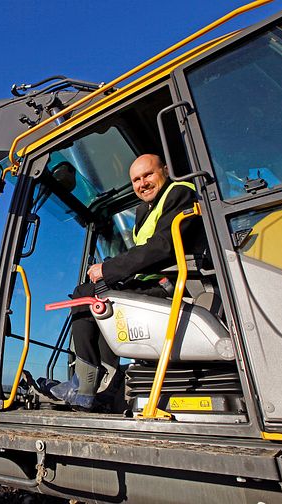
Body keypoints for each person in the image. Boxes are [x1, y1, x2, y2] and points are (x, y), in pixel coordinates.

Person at [50, 154, 205, 410]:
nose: (142, 183)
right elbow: (145, 250)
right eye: (136, 179)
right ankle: (103, 382)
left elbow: (162, 247)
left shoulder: (180, 193)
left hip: (174, 285)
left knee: (85, 294)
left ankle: (85, 383)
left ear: (165, 170)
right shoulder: (146, 209)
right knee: (98, 300)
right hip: (158, 280)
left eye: (148, 175)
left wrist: (108, 269)